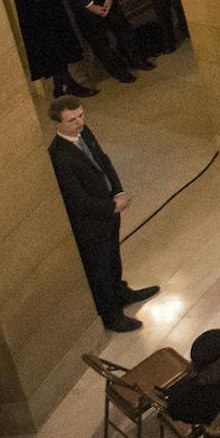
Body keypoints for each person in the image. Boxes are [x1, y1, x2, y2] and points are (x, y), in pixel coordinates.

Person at [46, 97, 155, 332]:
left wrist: (118, 190)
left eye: (81, 116)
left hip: (110, 208)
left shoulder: (85, 133)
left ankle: (121, 292)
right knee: (100, 268)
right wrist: (110, 207)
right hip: (90, 222)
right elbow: (75, 198)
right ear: (58, 124)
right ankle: (111, 315)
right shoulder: (58, 155)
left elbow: (103, 162)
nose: (79, 122)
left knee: (113, 256)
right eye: (72, 119)